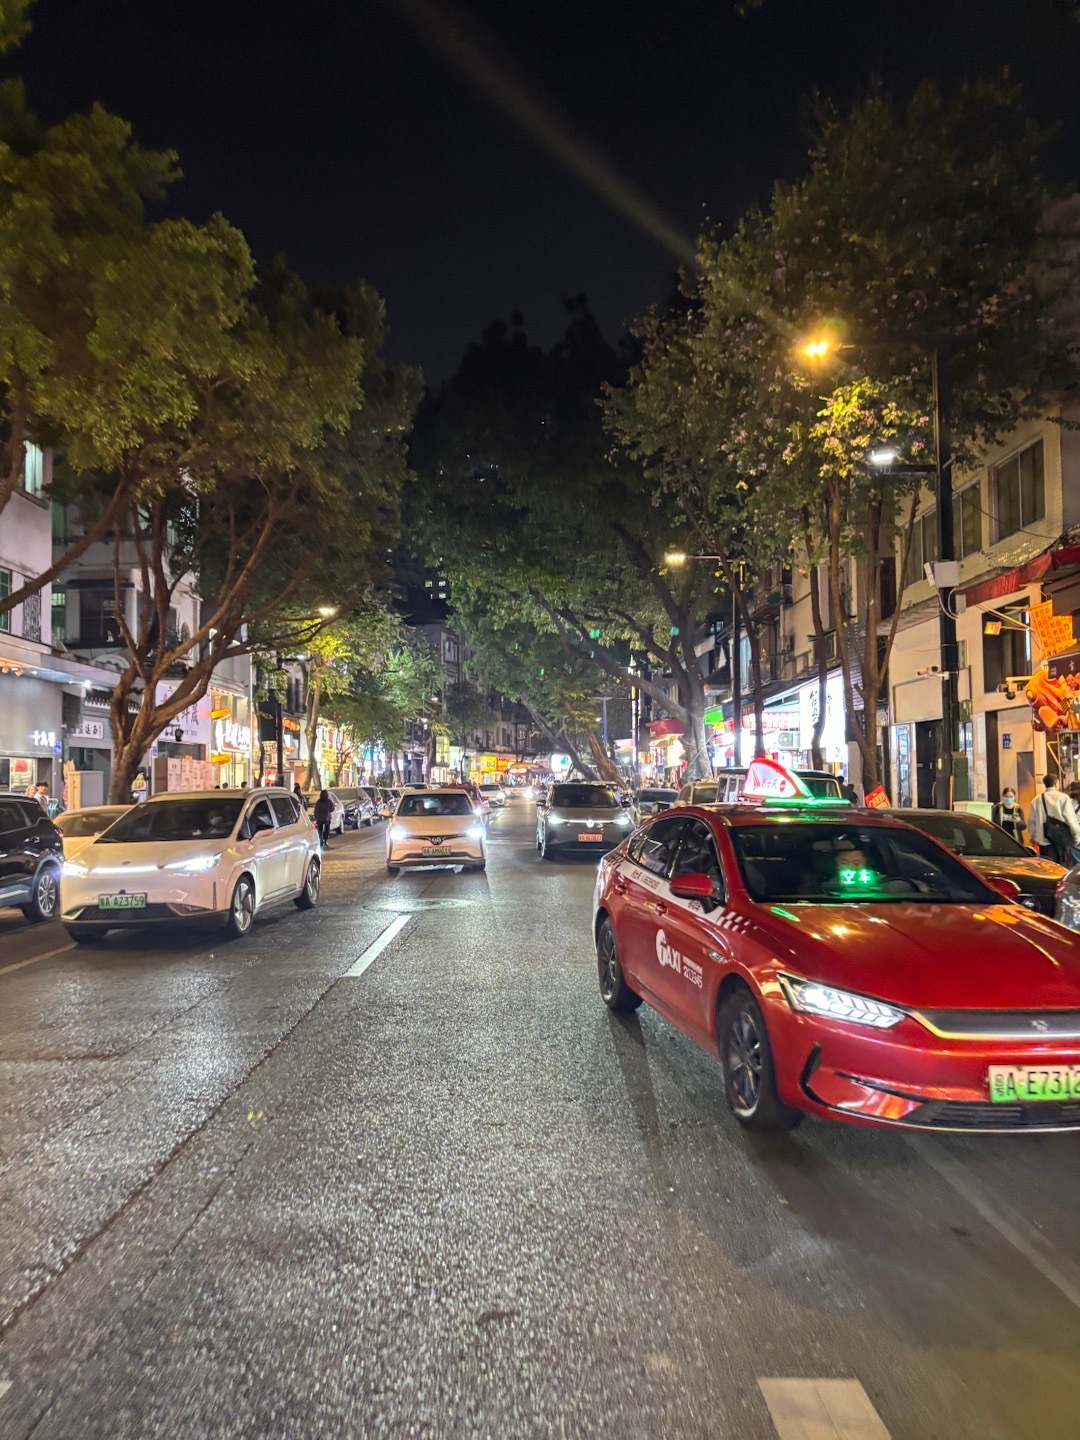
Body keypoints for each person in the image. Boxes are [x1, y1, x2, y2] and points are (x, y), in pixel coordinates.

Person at [1027, 774, 1080, 865]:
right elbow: (1071, 819)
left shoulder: (1036, 800)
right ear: (1056, 783)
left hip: (1044, 842)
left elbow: (1031, 822)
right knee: (1062, 868)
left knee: (1048, 867)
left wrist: (1034, 836)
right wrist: (1076, 837)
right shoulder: (1063, 798)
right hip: (1062, 841)